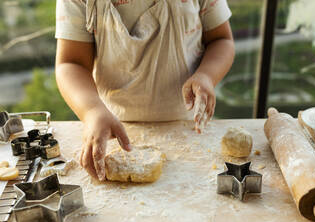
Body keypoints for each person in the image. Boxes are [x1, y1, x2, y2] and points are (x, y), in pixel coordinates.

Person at [55, 0, 235, 181]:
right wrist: (91, 111)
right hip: (110, 132)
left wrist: (206, 75)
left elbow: (221, 40)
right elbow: (72, 63)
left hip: (189, 130)